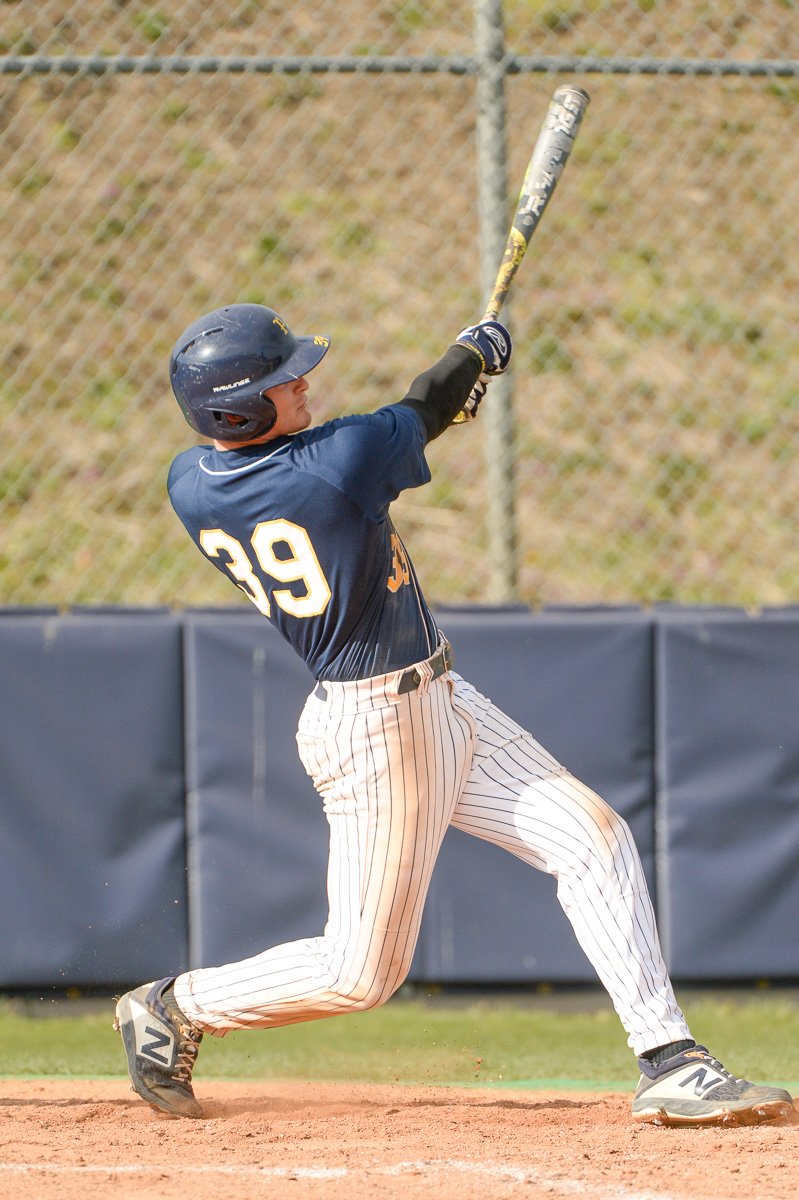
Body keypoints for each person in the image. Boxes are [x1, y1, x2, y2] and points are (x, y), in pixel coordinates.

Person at [115, 303, 794, 1128]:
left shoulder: (191, 481)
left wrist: (457, 381)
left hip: (436, 698)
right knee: (360, 974)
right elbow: (424, 407)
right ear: (238, 409)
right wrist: (476, 355)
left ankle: (668, 1059)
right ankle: (175, 1004)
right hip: (380, 730)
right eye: (281, 380)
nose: (302, 383)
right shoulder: (334, 465)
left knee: (595, 840)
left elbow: (417, 415)